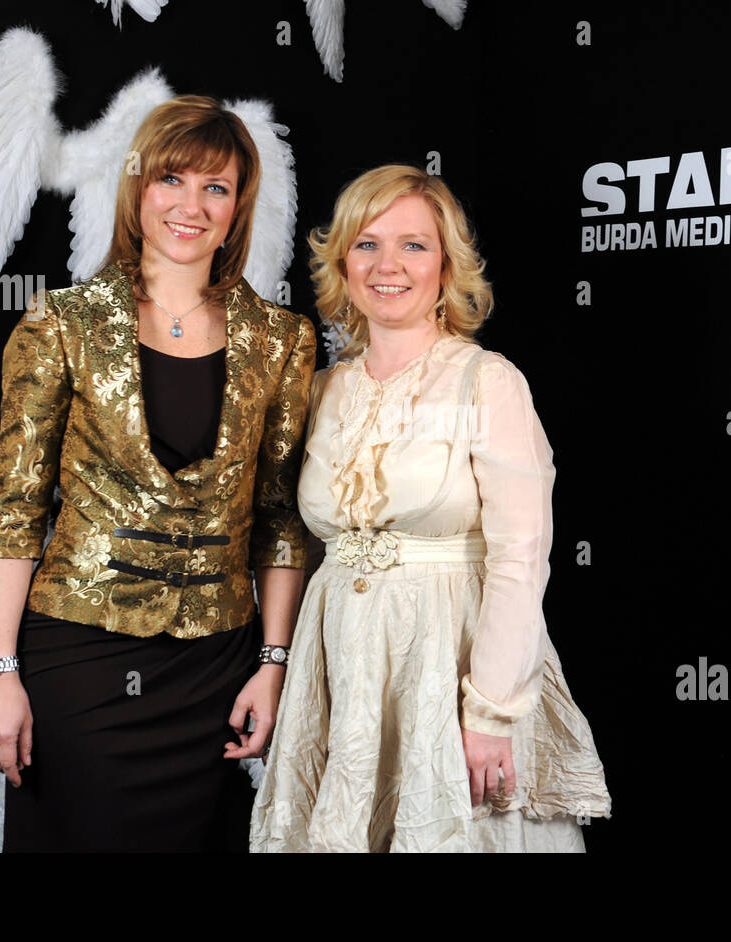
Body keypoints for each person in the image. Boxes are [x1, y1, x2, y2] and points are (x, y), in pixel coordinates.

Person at [0, 95, 317, 852]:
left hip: (217, 672)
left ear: (238, 207)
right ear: (138, 189)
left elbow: (281, 518)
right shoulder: (60, 322)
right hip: (82, 660)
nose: (191, 206)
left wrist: (274, 661)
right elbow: (16, 505)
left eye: (216, 188)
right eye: (172, 180)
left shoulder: (284, 339)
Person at [250, 165, 611, 852]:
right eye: (367, 244)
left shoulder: (489, 380)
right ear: (341, 261)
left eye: (413, 245)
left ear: (446, 263)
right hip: (341, 666)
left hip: (452, 670)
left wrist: (492, 714)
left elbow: (519, 558)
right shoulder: (321, 390)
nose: (389, 266)